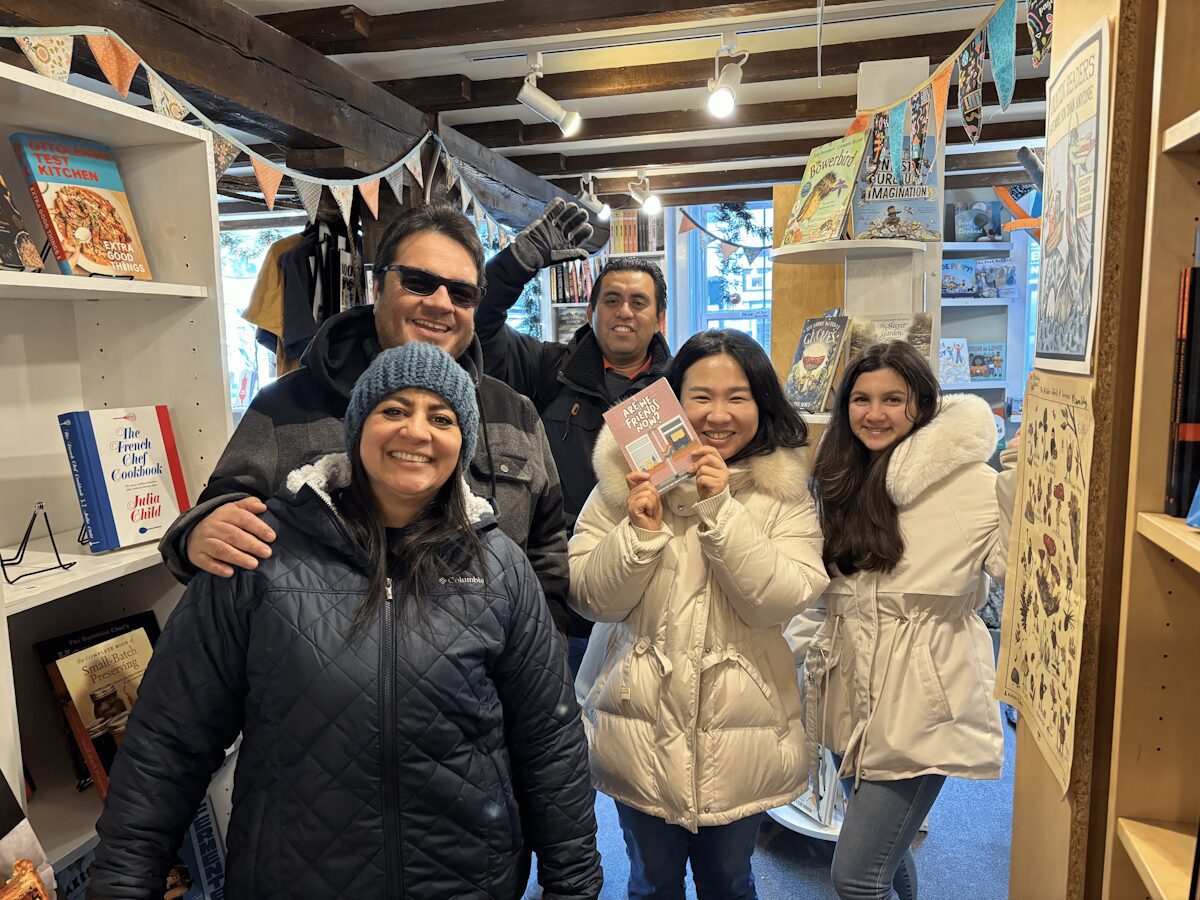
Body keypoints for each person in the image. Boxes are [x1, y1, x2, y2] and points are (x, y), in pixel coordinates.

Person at [88, 342, 603, 900]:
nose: (417, 431)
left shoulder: (500, 566)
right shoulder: (259, 552)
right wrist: (122, 882)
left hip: (467, 880)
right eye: (393, 410)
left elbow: (548, 741)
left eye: (442, 417)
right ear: (357, 427)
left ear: (463, 442)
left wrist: (572, 883)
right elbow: (169, 738)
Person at [158, 203, 572, 636]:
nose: (440, 303)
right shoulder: (286, 405)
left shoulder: (516, 413)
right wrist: (198, 535)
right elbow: (219, 514)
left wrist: (546, 656)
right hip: (321, 685)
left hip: (487, 691)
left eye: (461, 293)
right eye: (418, 281)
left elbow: (547, 552)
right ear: (378, 286)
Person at [568, 329, 829, 899]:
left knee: (730, 882)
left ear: (762, 403)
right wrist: (638, 533)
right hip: (640, 727)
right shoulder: (621, 482)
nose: (718, 415)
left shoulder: (783, 492)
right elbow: (590, 597)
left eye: (737, 397)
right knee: (650, 881)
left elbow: (781, 598)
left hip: (741, 736)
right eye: (699, 396)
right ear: (672, 401)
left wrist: (720, 509)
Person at [804, 341, 1016, 900]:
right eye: (861, 399)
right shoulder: (839, 480)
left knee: (854, 876)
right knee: (884, 853)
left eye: (892, 399)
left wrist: (1024, 478)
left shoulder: (968, 483)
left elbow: (1016, 563)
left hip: (924, 699)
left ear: (920, 404)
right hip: (849, 689)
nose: (875, 413)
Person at [475, 198, 673, 671]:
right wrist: (515, 266)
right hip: (558, 599)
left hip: (650, 600)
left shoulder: (681, 387)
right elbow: (476, 330)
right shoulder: (548, 369)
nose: (624, 311)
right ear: (591, 311)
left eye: (638, 301)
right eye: (611, 299)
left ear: (659, 317)